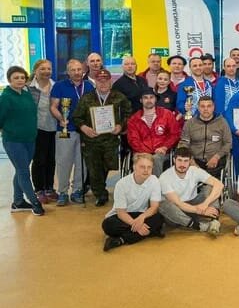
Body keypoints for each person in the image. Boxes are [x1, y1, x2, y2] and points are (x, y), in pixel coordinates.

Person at [73, 69, 131, 206]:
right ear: (96, 82)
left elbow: (128, 114)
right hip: (91, 140)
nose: (103, 83)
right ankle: (100, 194)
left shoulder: (119, 97)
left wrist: (120, 126)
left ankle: (101, 187)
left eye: (106, 81)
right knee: (94, 168)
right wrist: (84, 128)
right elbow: (77, 117)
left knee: (107, 166)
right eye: (100, 81)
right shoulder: (87, 98)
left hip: (111, 140)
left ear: (110, 81)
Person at [50, 59, 95, 206]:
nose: (76, 72)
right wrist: (61, 119)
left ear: (83, 70)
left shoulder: (89, 86)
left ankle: (77, 191)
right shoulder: (59, 86)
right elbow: (53, 106)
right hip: (66, 130)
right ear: (68, 72)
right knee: (64, 162)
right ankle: (62, 192)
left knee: (82, 163)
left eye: (79, 69)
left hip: (84, 131)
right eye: (73, 70)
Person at [0, 66, 45, 215]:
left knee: (20, 170)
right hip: (14, 141)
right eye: (16, 78)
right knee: (24, 172)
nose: (20, 80)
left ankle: (18, 202)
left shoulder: (26, 94)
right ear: (9, 80)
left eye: (22, 78)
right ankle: (35, 202)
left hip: (29, 139)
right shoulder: (6, 97)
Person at [101, 153, 164, 251]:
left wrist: (142, 217)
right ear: (134, 167)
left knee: (159, 218)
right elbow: (121, 213)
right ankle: (147, 232)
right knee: (108, 224)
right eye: (142, 167)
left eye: (149, 167)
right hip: (122, 217)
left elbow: (154, 207)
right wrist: (136, 225)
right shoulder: (122, 184)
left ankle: (121, 240)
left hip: (140, 215)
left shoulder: (154, 180)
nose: (146, 170)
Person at [158, 147, 222, 235]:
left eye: (185, 161)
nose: (182, 164)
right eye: (179, 160)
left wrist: (205, 204)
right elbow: (178, 204)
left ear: (190, 161)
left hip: (194, 205)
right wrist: (199, 210)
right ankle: (197, 226)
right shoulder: (164, 177)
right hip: (177, 213)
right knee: (162, 204)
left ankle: (214, 221)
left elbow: (219, 184)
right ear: (174, 160)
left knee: (210, 187)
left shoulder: (194, 171)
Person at [127, 89, 181, 176]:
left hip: (162, 151)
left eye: (151, 97)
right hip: (141, 151)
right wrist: (145, 152)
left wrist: (165, 147)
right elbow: (133, 139)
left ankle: (156, 183)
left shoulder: (166, 114)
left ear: (155, 99)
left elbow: (175, 134)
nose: (149, 100)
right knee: (142, 160)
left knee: (156, 158)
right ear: (141, 100)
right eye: (145, 98)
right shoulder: (134, 119)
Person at [179, 96, 232, 179]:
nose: (206, 109)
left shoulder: (222, 122)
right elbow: (183, 144)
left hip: (216, 160)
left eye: (209, 106)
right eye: (202, 106)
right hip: (195, 160)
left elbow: (228, 143)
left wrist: (217, 157)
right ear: (198, 108)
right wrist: (190, 160)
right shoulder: (190, 123)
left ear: (213, 107)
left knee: (211, 180)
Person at [28, 59, 56, 204]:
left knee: (51, 159)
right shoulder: (28, 88)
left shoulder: (55, 86)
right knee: (39, 159)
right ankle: (39, 189)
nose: (46, 71)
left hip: (54, 127)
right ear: (35, 71)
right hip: (37, 128)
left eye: (49, 69)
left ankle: (49, 187)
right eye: (42, 69)